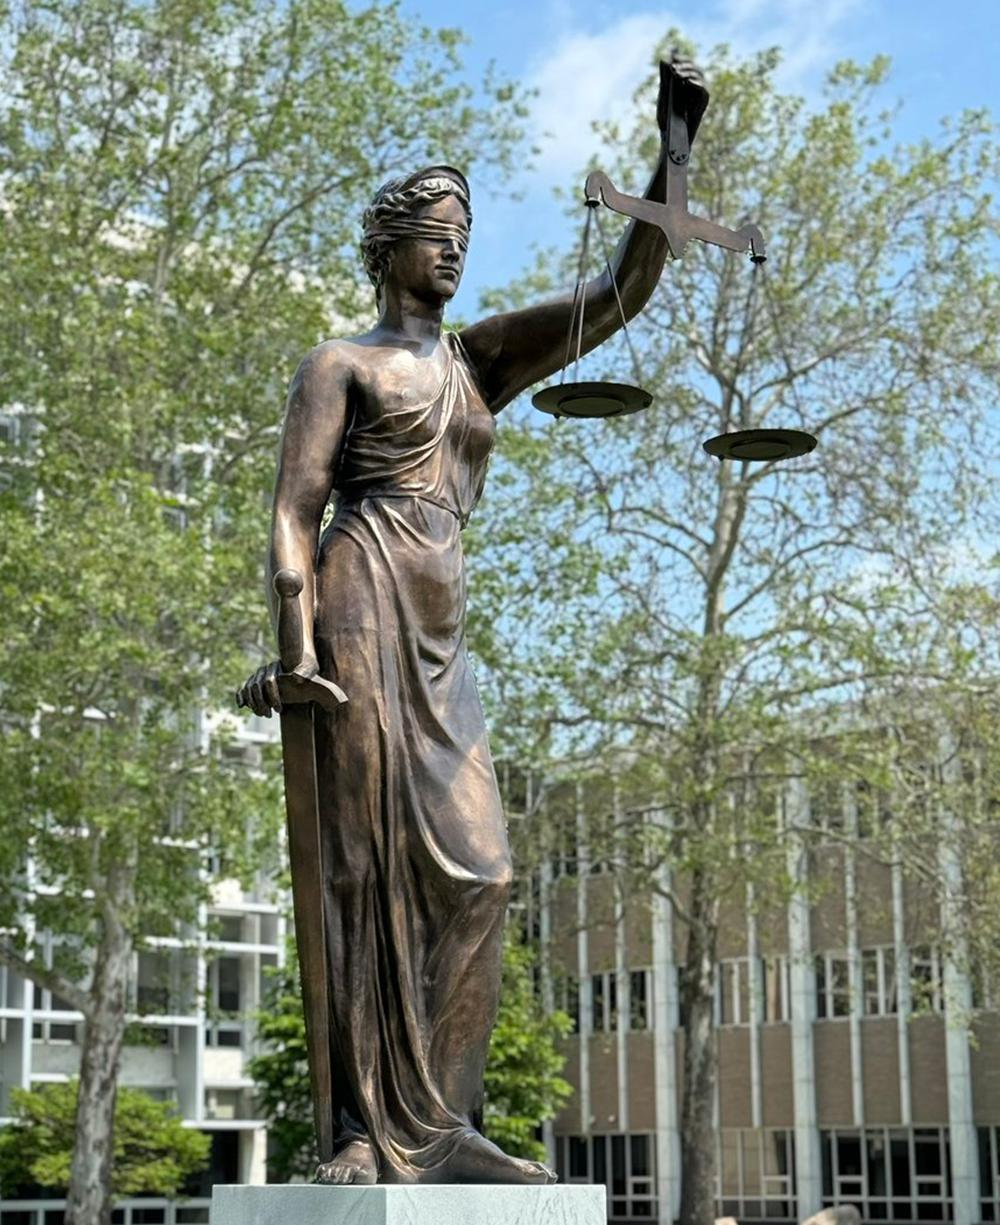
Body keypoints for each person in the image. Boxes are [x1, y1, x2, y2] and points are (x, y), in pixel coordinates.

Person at [237, 55, 707, 1186]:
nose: (454, 247)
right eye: (435, 230)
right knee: (361, 867)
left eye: (465, 232)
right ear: (388, 243)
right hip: (359, 599)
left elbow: (622, 290)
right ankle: (360, 1130)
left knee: (483, 872)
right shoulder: (340, 363)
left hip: (441, 628)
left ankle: (438, 1124)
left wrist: (674, 152)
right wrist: (293, 645)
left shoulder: (477, 362)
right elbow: (295, 514)